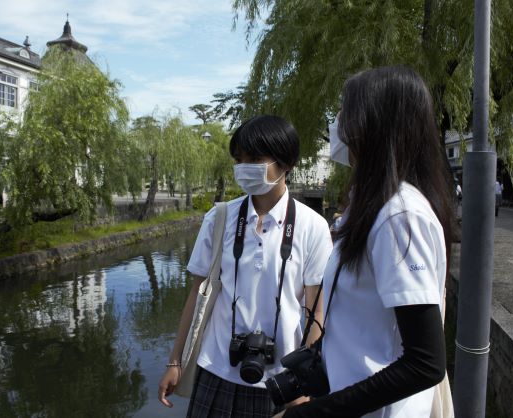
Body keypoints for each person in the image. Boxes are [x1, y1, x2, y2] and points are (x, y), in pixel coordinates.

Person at [280, 66, 454, 417]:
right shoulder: (371, 205)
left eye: (346, 109)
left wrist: (315, 413)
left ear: (374, 123)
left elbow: (425, 363)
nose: (338, 121)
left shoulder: (400, 217)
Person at [158, 115, 333, 417]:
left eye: (254, 158)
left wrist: (304, 382)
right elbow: (196, 295)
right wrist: (175, 361)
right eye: (239, 159)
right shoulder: (219, 218)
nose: (243, 168)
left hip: (281, 379)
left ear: (286, 162)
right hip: (216, 369)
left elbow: (315, 312)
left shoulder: (312, 226)